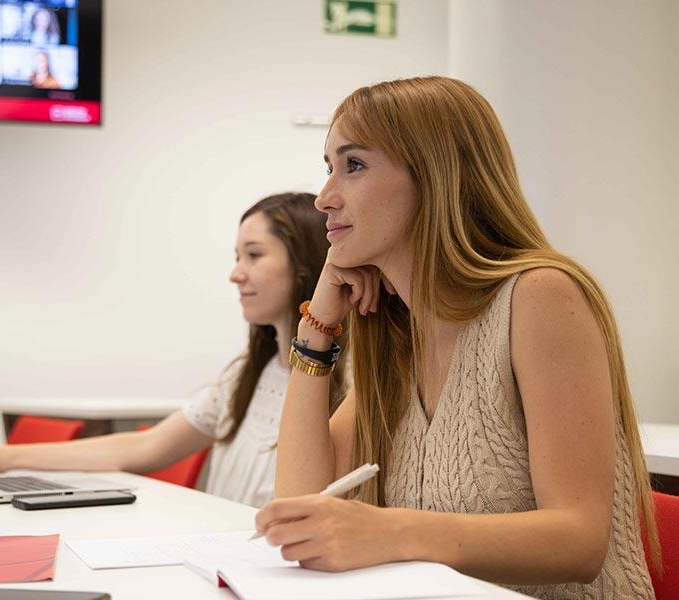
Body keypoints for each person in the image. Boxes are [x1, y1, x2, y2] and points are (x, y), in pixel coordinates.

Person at [254, 77, 658, 599]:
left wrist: (391, 533)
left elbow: (579, 541)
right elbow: (301, 505)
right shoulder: (398, 337)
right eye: (328, 168)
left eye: (353, 166)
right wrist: (319, 325)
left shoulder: (540, 297)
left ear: (436, 177)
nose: (325, 198)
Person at [0, 193, 348, 508]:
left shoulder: (347, 382)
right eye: (237, 257)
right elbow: (144, 446)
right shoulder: (246, 377)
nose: (236, 273)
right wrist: (3, 457)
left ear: (303, 266)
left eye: (253, 255)